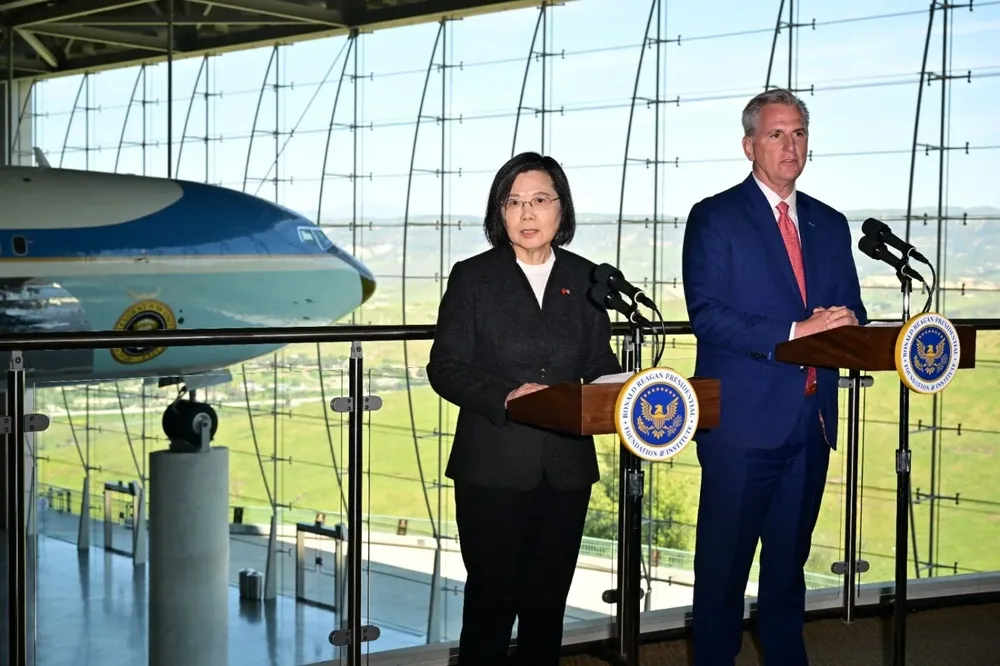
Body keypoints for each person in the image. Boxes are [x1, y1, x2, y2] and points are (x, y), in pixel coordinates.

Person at [681, 88, 868, 665]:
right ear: (749, 146)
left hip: (810, 424)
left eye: (799, 134)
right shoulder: (715, 216)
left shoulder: (831, 223)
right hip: (741, 426)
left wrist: (846, 322)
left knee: (787, 573)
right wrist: (794, 331)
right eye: (776, 134)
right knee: (723, 575)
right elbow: (707, 314)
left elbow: (849, 310)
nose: (791, 146)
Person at [426, 151, 621, 665]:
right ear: (499, 212)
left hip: (566, 469)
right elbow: (444, 367)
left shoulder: (587, 280)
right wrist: (504, 397)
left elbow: (599, 362)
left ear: (562, 209)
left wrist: (624, 387)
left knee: (546, 609)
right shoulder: (473, 277)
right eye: (513, 202)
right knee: (490, 608)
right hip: (492, 467)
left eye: (539, 200)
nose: (527, 214)